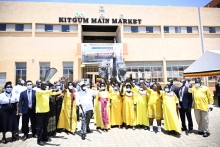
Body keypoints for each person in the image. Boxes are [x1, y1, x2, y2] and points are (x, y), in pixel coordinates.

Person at [36, 81, 61, 146]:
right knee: (40, 127)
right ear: (41, 85)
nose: (46, 86)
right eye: (44, 85)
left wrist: (61, 91)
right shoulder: (39, 91)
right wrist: (51, 90)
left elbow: (53, 93)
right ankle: (39, 140)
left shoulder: (47, 92)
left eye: (46, 85)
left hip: (47, 111)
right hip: (40, 112)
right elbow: (47, 92)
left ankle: (44, 137)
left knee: (45, 126)